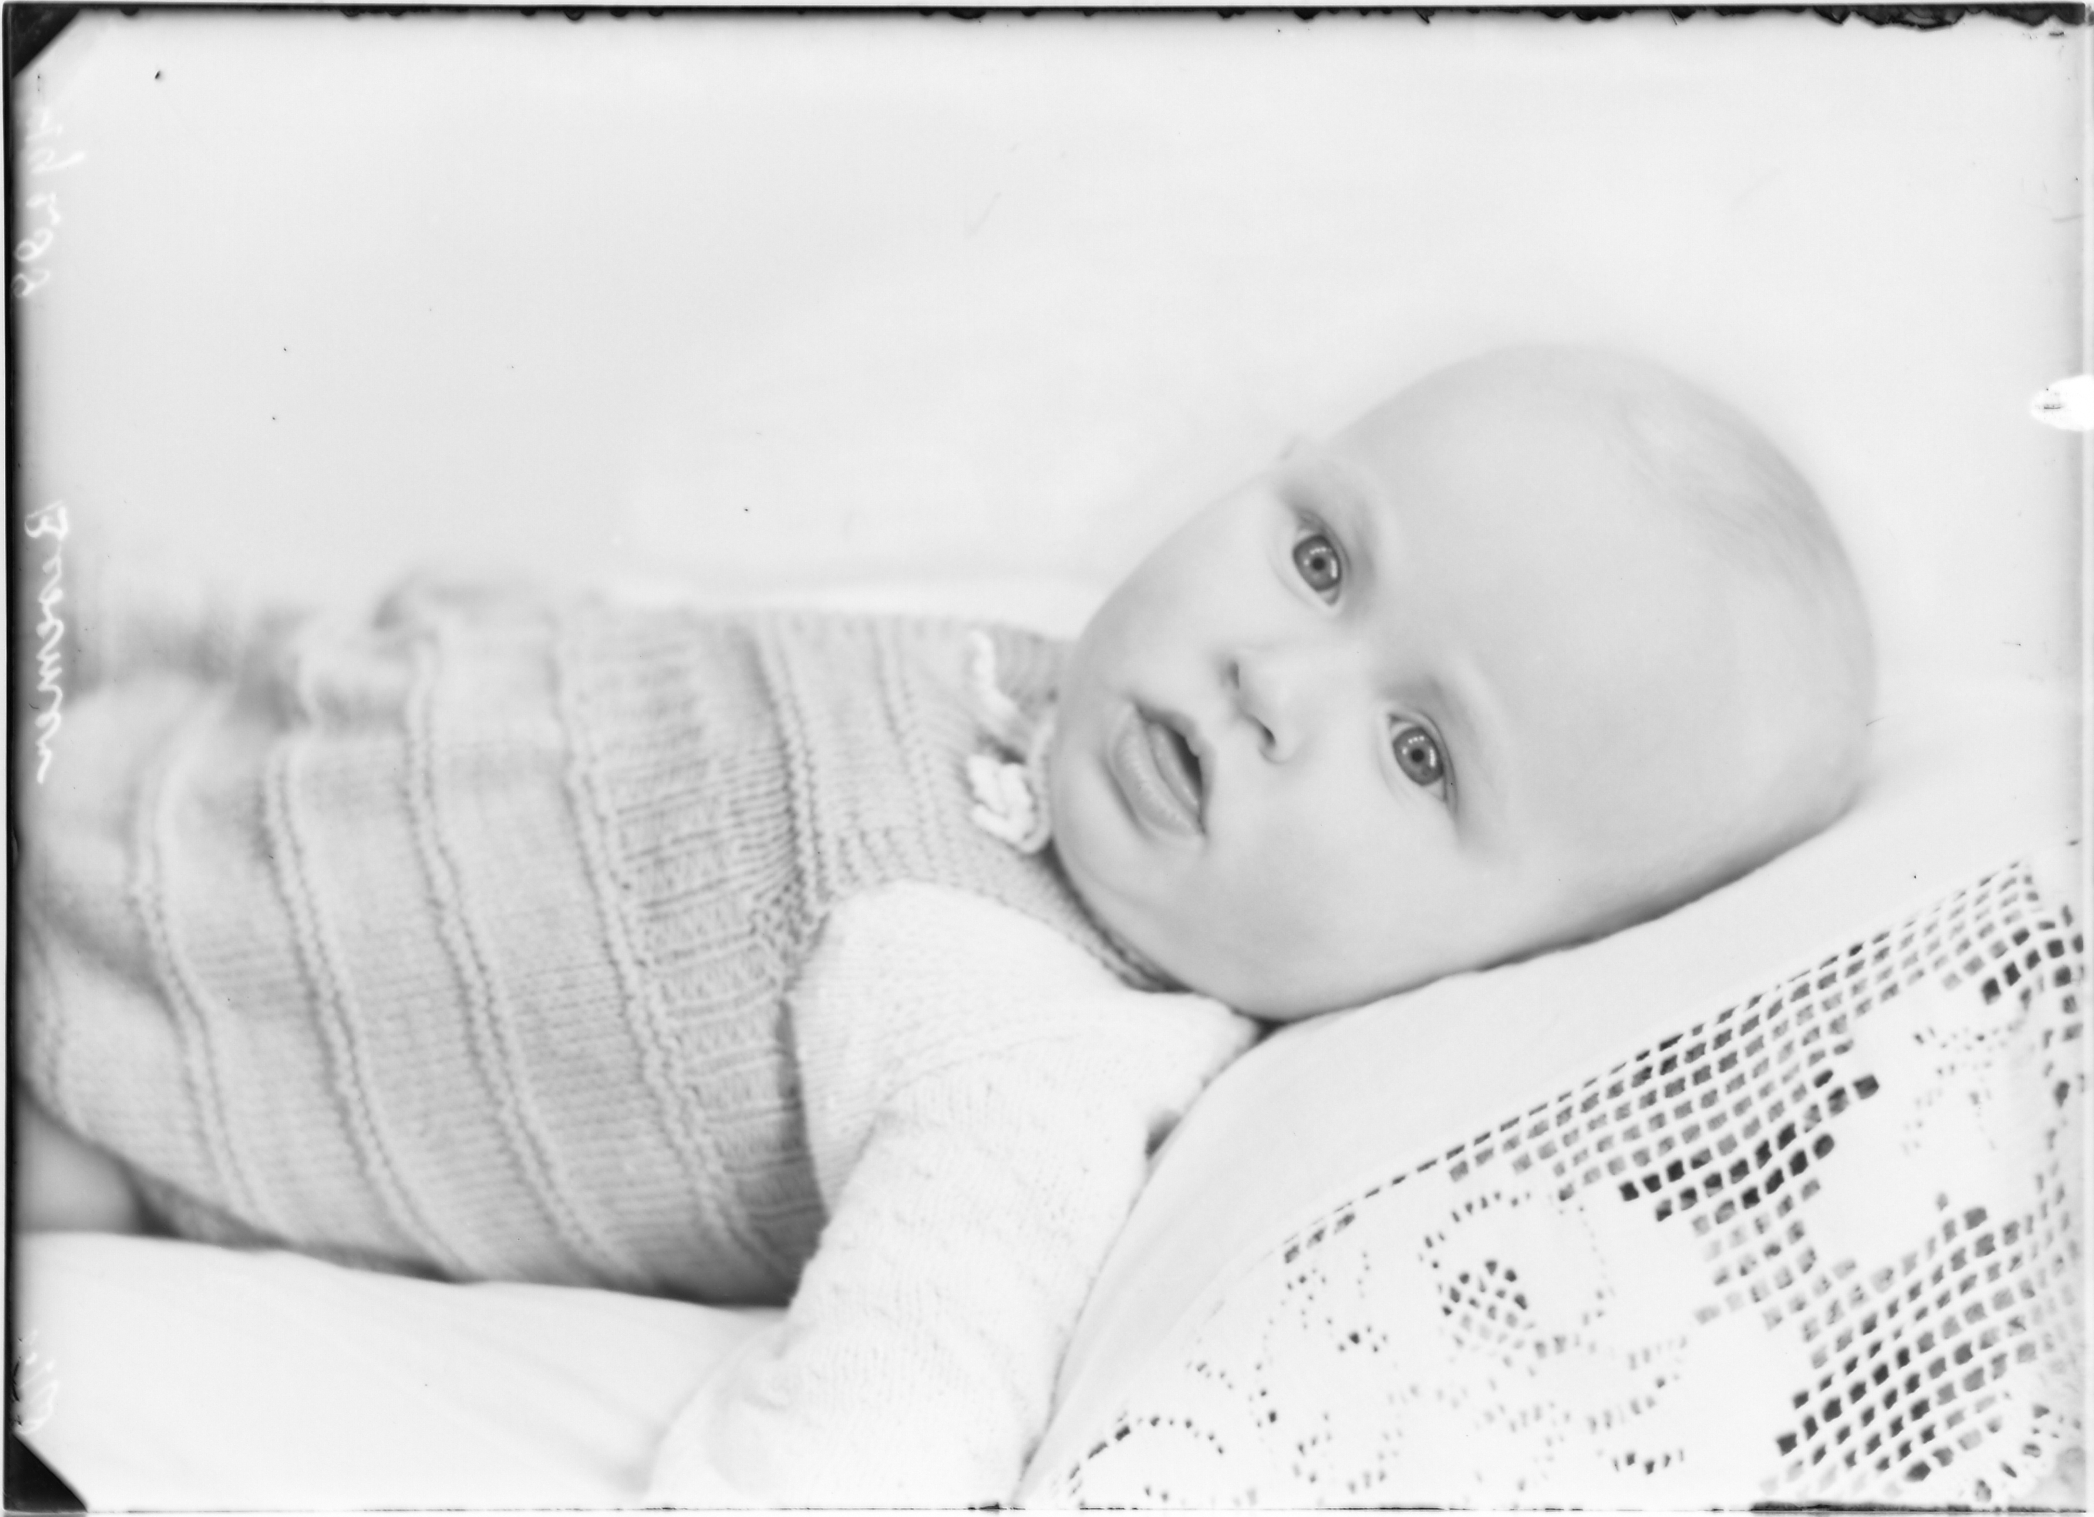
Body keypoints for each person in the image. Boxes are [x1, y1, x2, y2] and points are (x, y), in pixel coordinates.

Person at [10, 345, 1874, 1504]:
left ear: (1498, 971)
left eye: (1417, 751)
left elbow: (891, 1417)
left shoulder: (1022, 1045)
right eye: (1319, 554)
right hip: (216, 710)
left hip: (119, 1038)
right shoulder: (1039, 677)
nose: (1272, 675)